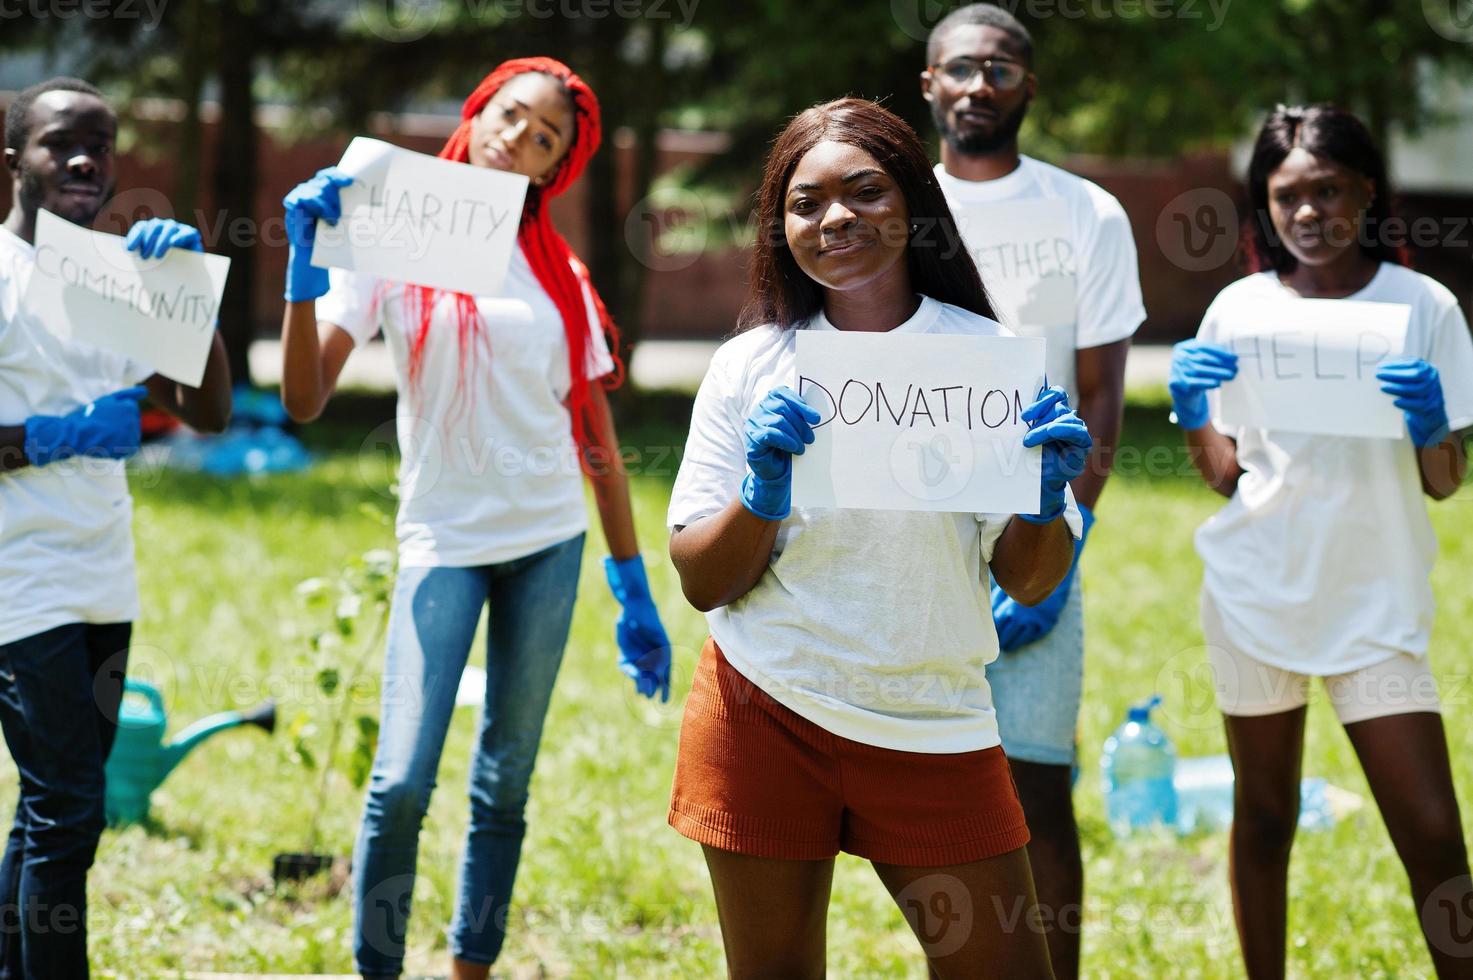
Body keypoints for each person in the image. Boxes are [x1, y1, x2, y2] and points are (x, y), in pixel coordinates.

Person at [666, 96, 1092, 980]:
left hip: (932, 720)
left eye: (864, 192)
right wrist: (761, 496)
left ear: (911, 206)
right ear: (778, 226)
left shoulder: (988, 359)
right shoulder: (752, 365)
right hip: (766, 708)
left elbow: (1031, 578)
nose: (836, 218)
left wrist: (1042, 500)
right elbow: (705, 583)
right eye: (806, 202)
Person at [278, 58, 672, 979]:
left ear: (552, 170)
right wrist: (302, 270)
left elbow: (597, 438)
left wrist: (631, 583)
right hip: (442, 541)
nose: (518, 140)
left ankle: (470, 968)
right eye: (511, 116)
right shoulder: (390, 236)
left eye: (546, 140)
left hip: (546, 540)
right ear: (477, 112)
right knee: (400, 782)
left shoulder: (557, 271)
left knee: (503, 784)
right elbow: (302, 397)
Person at [1170, 104, 1473, 979]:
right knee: (1263, 817)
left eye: (1327, 190)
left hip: (1372, 598)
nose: (1308, 212)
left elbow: (1443, 479)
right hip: (1255, 592)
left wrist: (1428, 426)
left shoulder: (1423, 305)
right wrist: (1192, 414)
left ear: (1365, 192)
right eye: (1287, 195)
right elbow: (1227, 472)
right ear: (1263, 205)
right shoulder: (1238, 307)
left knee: (1430, 835)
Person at [920, 7, 1145, 973]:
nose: (978, 85)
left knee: (1035, 794)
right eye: (959, 69)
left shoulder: (1082, 212)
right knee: (923, 803)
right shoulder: (887, 204)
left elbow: (1099, 396)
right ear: (928, 83)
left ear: (1028, 87)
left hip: (1033, 533)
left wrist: (1062, 543)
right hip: (910, 538)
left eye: (999, 69)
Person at [0, 76, 231, 979]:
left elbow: (207, 411)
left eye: (101, 143)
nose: (87, 159)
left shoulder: (112, 277)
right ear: (15, 161)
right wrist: (49, 438)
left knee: (48, 805)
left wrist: (184, 297)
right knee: (71, 807)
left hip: (102, 573)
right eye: (63, 142)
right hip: (17, 580)